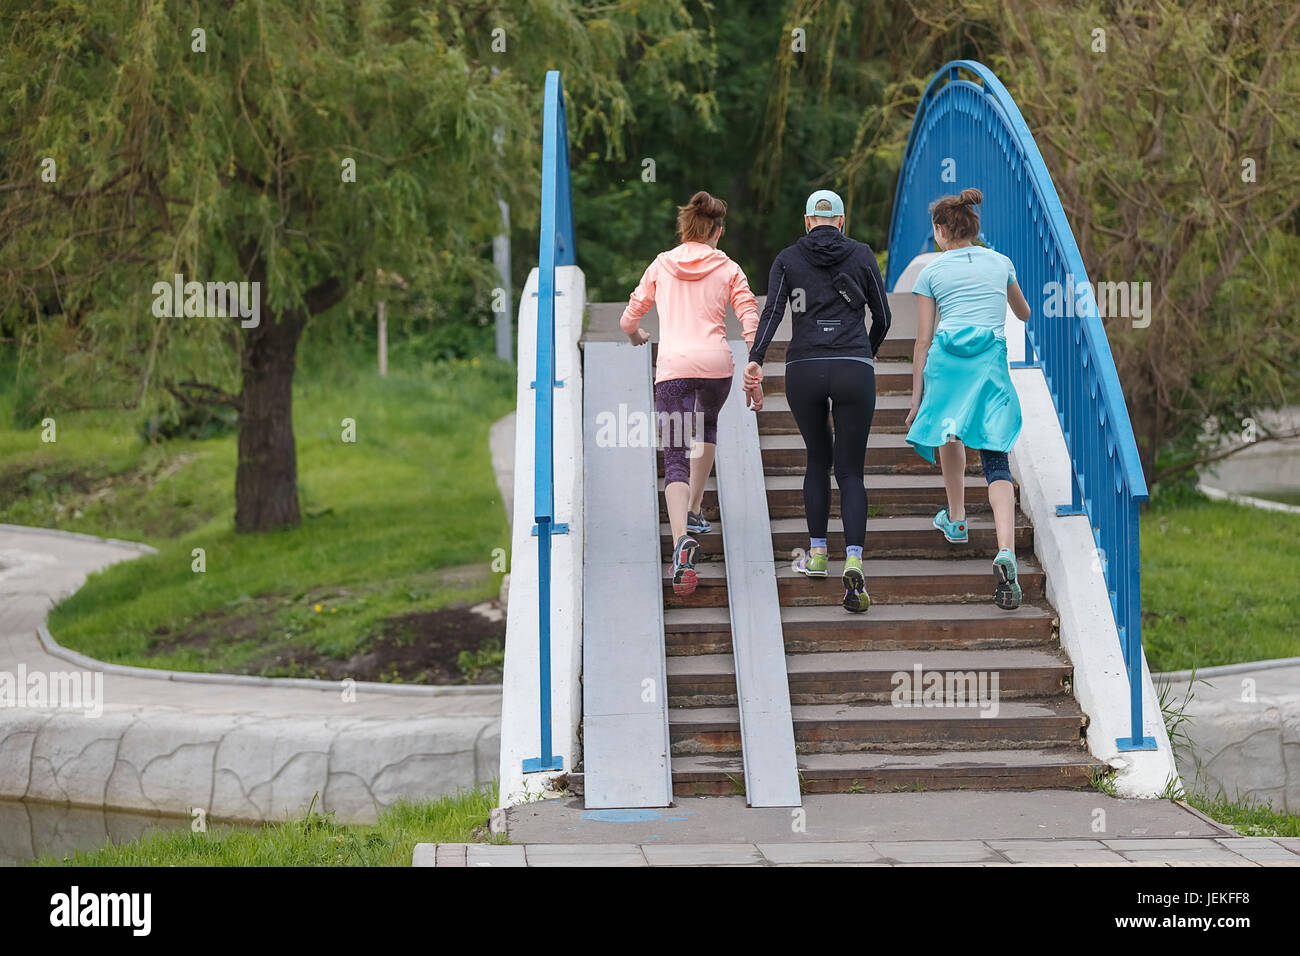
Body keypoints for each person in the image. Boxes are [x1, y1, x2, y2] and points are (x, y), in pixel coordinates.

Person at [743, 190, 891, 613]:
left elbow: (771, 313)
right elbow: (883, 315)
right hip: (852, 367)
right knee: (851, 472)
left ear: (807, 221)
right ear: (841, 220)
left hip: (804, 368)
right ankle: (856, 558)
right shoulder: (861, 254)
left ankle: (819, 553)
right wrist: (867, 350)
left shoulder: (788, 258)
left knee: (816, 459)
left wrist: (756, 359)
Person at [621, 190, 761, 597]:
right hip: (717, 366)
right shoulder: (729, 268)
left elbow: (630, 316)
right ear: (718, 231)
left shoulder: (662, 264)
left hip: (674, 369)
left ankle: (682, 536)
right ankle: (697, 508)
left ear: (685, 228)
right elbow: (749, 315)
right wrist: (755, 361)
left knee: (676, 454)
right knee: (709, 423)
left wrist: (637, 335)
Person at [904, 187, 1033, 610]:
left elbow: (923, 340)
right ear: (974, 228)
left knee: (950, 432)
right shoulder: (1001, 263)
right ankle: (1006, 551)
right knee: (996, 458)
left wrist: (915, 398)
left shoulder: (932, 274)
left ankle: (957, 520)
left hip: (947, 365)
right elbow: (1024, 313)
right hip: (989, 366)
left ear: (941, 230)